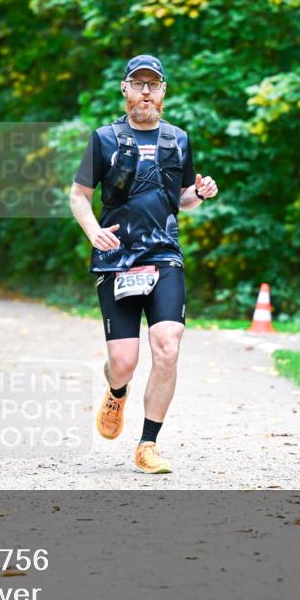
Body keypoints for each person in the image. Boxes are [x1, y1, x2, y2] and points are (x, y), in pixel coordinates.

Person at [69, 54, 219, 474]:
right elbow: (79, 195)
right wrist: (93, 230)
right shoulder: (104, 138)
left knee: (168, 347)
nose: (146, 92)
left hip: (164, 256)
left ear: (164, 91)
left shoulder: (178, 139)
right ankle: (116, 391)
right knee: (124, 362)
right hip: (116, 259)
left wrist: (201, 193)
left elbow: (182, 199)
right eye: (139, 85)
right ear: (125, 89)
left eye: (153, 85)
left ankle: (148, 444)